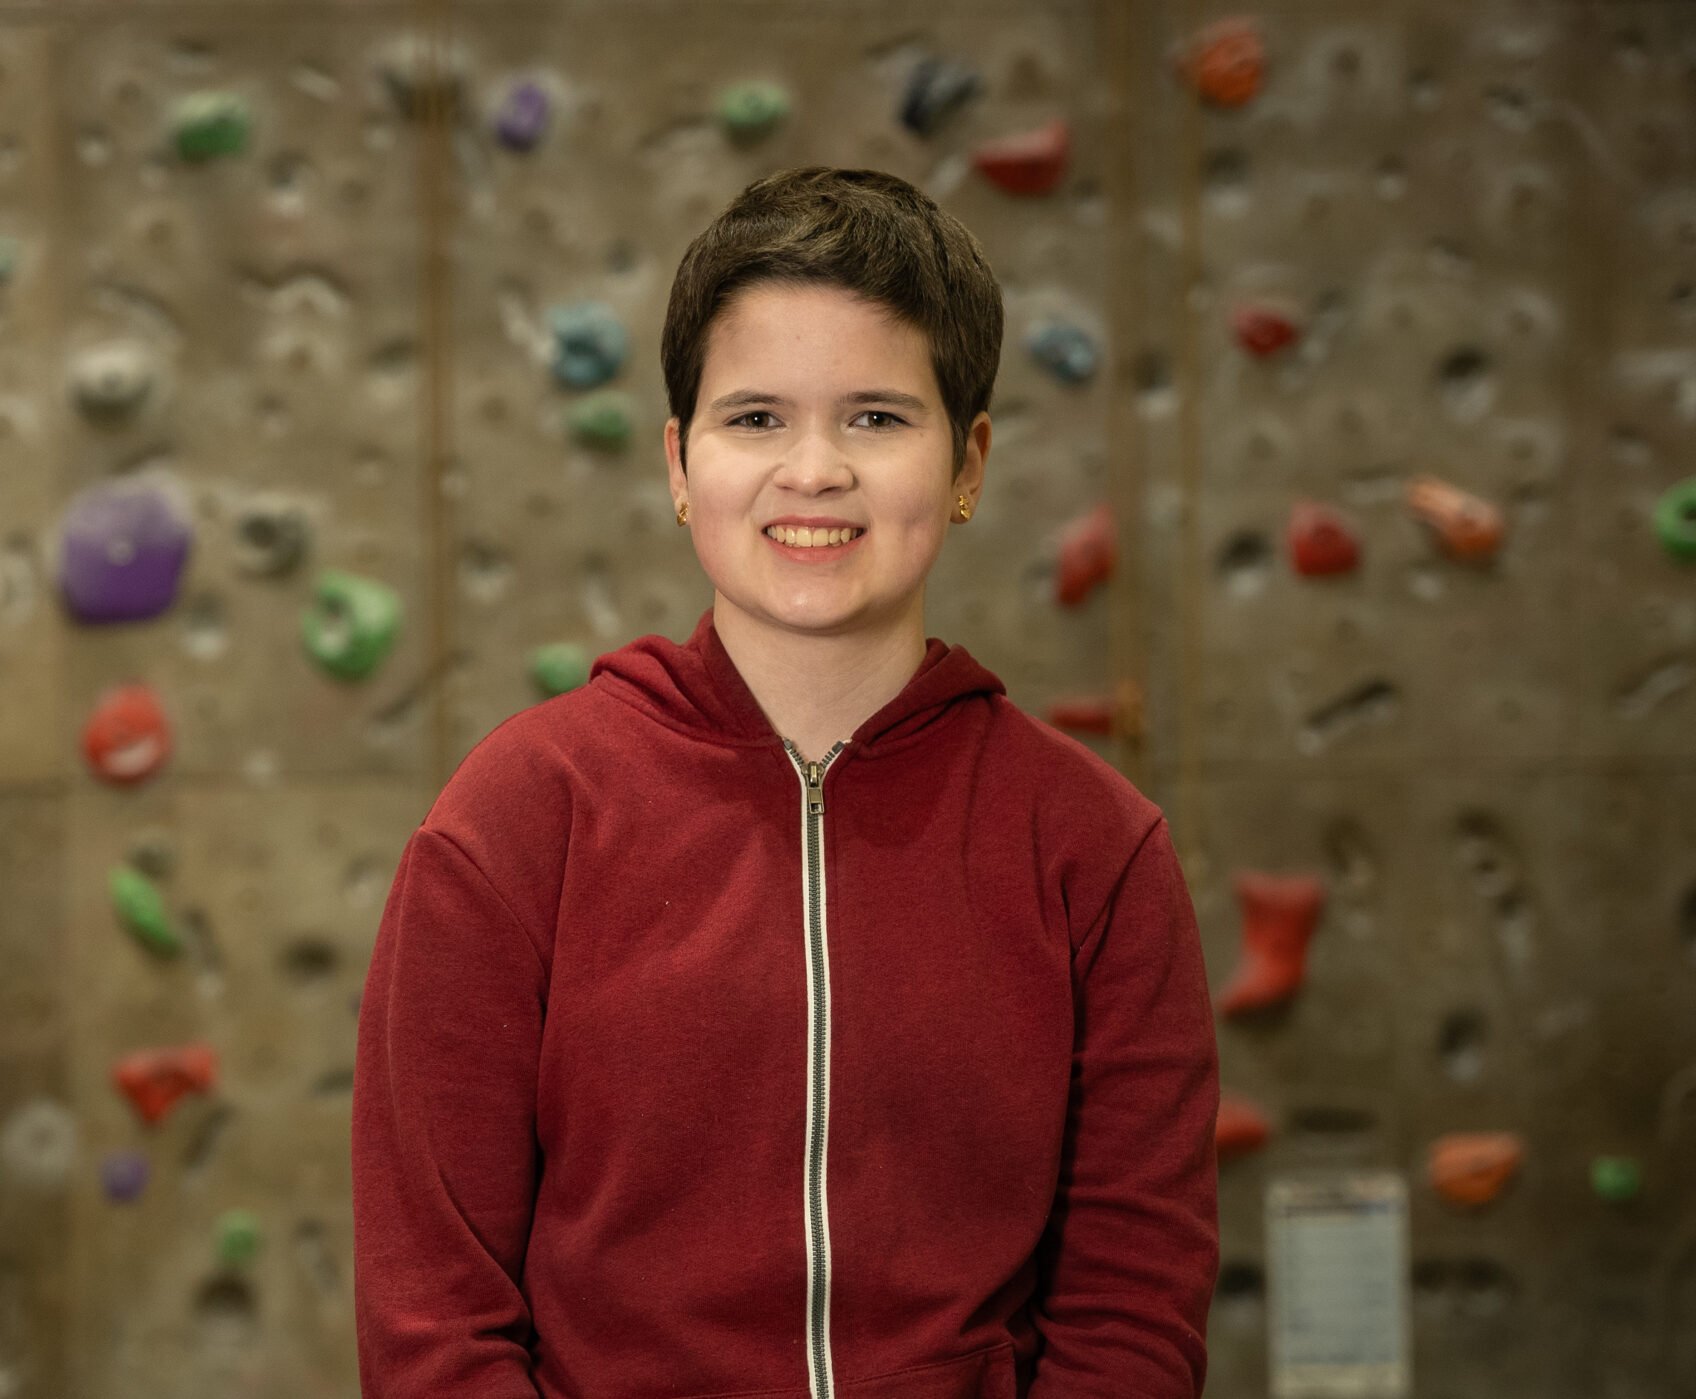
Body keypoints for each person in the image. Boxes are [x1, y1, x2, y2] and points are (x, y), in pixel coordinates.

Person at [350, 167, 1219, 1398]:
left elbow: (1132, 1315)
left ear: (968, 462)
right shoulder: (515, 818)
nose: (812, 470)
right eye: (755, 418)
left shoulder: (1093, 847)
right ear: (677, 461)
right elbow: (432, 1319)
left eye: (876, 417)